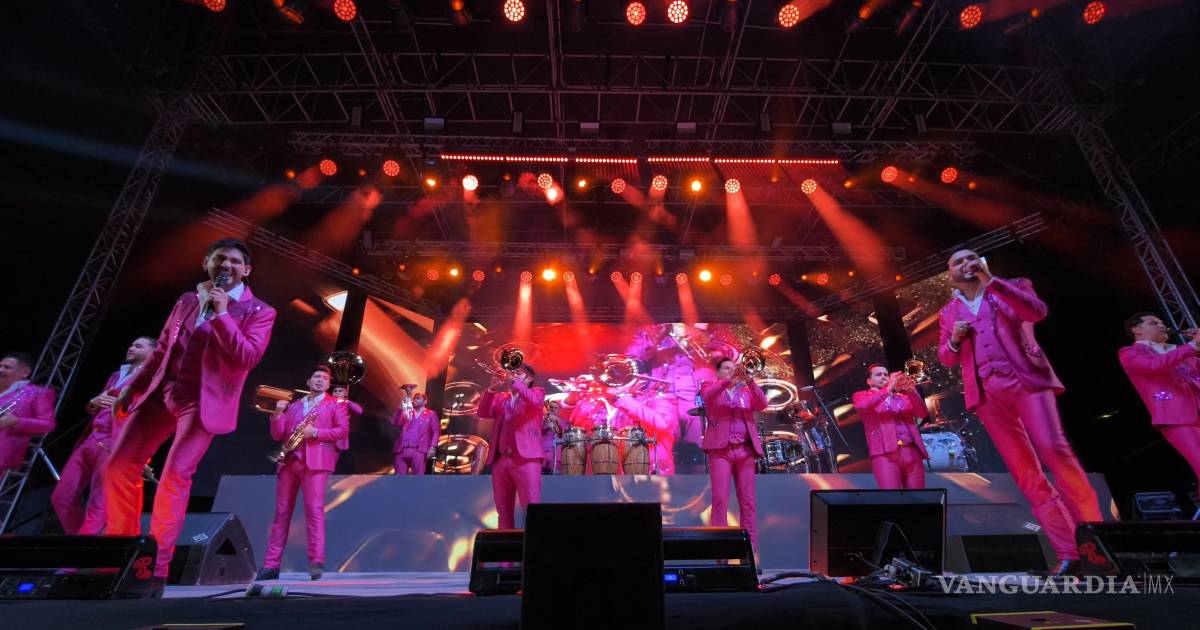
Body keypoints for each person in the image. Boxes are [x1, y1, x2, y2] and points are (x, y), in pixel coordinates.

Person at [105, 237, 276, 585]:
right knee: (118, 467)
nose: (226, 265)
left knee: (176, 475)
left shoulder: (259, 311)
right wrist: (132, 390)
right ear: (206, 263)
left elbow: (248, 357)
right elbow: (162, 349)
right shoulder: (186, 300)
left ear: (246, 270)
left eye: (234, 261)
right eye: (219, 258)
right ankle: (121, 551)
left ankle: (155, 564)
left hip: (202, 400)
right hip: (162, 392)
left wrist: (222, 314)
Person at [938, 249, 1099, 575]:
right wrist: (954, 339)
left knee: (1055, 451)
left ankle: (1099, 546)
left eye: (971, 258)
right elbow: (946, 357)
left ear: (982, 264)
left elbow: (1036, 312)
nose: (966, 264)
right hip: (987, 393)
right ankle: (1068, 552)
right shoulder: (949, 311)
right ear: (950, 274)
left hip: (1026, 381)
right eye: (958, 262)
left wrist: (991, 281)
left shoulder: (1012, 286)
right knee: (1026, 473)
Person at [51, 336, 155, 534]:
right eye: (131, 344)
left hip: (115, 441)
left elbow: (149, 412)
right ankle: (81, 543)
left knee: (98, 504)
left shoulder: (152, 377)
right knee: (62, 497)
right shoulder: (117, 375)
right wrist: (93, 402)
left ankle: (82, 550)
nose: (131, 347)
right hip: (92, 438)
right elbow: (100, 404)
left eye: (138, 346)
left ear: (153, 352)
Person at [257, 365, 349, 581]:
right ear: (308, 382)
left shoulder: (335, 405)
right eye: (317, 377)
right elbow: (278, 434)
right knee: (281, 513)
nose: (320, 380)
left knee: (314, 510)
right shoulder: (295, 406)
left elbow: (342, 431)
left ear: (328, 384)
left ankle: (316, 562)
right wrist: (277, 413)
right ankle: (271, 565)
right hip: (289, 461)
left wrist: (315, 432)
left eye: (325, 378)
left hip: (316, 463)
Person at [1119, 313, 1200, 481]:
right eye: (1154, 323)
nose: (1162, 326)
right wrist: (1193, 345)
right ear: (1136, 330)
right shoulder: (1129, 352)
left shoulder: (1178, 351)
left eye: (1162, 322)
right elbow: (1153, 365)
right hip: (1177, 418)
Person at [701, 357, 767, 553]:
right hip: (721, 451)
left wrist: (750, 381)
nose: (732, 371)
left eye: (734, 368)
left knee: (748, 501)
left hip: (745, 450)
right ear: (718, 372)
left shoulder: (745, 390)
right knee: (720, 500)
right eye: (727, 368)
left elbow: (762, 404)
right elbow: (707, 396)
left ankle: (750, 550)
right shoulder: (710, 386)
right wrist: (728, 381)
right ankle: (720, 550)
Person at [478, 366, 544, 529]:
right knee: (503, 510)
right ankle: (505, 545)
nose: (513, 375)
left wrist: (515, 383)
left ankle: (532, 544)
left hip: (526, 459)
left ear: (529, 379)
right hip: (501, 459)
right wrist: (492, 389)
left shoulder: (536, 392)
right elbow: (483, 412)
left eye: (518, 373)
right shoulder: (501, 397)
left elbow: (536, 403)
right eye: (512, 372)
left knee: (531, 508)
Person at [853, 364, 929, 490]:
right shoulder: (861, 396)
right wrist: (888, 388)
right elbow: (863, 406)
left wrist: (911, 391)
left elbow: (922, 413)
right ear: (869, 381)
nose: (883, 377)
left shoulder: (901, 397)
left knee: (918, 497)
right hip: (884, 455)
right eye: (879, 374)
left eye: (886, 374)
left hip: (911, 452)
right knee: (893, 498)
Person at [0, 352, 57, 475]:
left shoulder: (36, 393)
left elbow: (48, 424)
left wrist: (16, 421)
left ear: (25, 372)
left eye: (6, 367)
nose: (1, 370)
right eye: (0, 366)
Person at [391, 390, 439, 475]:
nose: (415, 400)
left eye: (418, 398)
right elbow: (395, 423)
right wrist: (399, 409)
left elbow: (436, 431)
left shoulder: (431, 414)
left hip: (419, 450)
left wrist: (432, 447)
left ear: (425, 401)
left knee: (418, 477)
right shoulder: (407, 412)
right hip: (402, 450)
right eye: (414, 398)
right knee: (399, 478)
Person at [540, 399, 564, 473]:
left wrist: (558, 422)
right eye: (551, 407)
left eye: (556, 408)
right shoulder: (543, 421)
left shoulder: (563, 422)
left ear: (559, 410)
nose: (553, 409)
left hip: (556, 455)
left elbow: (565, 433)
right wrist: (545, 421)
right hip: (543, 453)